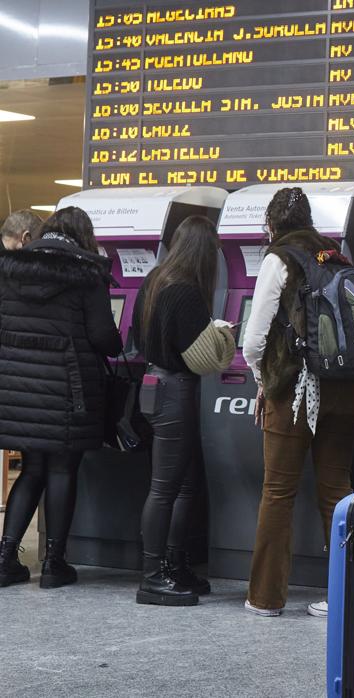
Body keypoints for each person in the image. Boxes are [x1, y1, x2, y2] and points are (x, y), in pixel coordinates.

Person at [241, 187, 354, 618]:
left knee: (278, 492)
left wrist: (262, 379)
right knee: (336, 492)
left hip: (295, 391)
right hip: (346, 389)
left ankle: (266, 598)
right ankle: (344, 597)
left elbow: (253, 341)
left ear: (271, 226)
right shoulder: (337, 254)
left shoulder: (279, 259)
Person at [0, 207, 123, 589]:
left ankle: (5, 559)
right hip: (68, 389)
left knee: (33, 468)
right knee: (61, 469)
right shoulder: (87, 273)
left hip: (19, 388)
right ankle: (54, 563)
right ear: (84, 236)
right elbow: (103, 336)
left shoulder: (11, 268)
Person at [132, 216, 235, 606]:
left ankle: (174, 563)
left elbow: (139, 337)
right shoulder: (188, 292)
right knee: (166, 488)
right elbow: (203, 360)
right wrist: (224, 335)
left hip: (154, 385)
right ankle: (153, 574)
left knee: (184, 484)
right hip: (176, 390)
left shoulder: (155, 279)